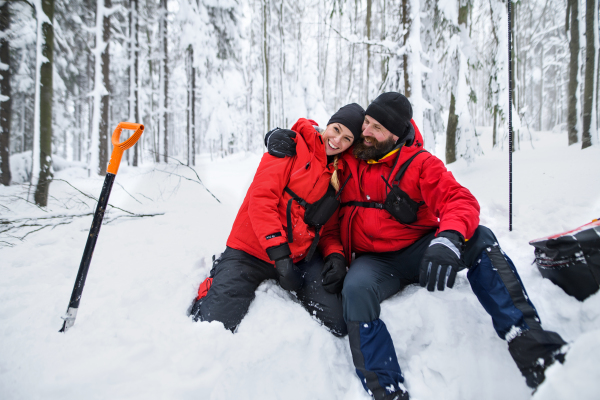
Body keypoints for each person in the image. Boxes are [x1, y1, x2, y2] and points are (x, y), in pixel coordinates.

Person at [266, 92, 567, 400]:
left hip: (422, 251)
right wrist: (285, 137)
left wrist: (448, 238)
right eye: (366, 123)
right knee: (355, 291)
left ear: (395, 136)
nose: (365, 133)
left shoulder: (420, 163)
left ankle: (532, 347)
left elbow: (459, 200)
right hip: (375, 262)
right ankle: (387, 389)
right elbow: (322, 139)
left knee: (480, 238)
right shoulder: (350, 159)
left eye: (376, 129)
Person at [188, 103, 365, 337]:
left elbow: (328, 228)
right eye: (336, 129)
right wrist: (280, 257)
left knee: (338, 323)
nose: (337, 140)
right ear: (328, 125)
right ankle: (220, 273)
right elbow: (261, 201)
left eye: (347, 138)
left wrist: (335, 255)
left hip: (300, 258)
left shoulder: (337, 174)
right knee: (213, 325)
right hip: (251, 251)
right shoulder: (290, 146)